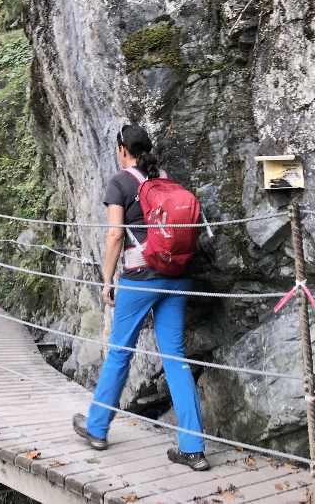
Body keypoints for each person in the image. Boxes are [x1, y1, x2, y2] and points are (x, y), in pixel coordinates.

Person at [72, 124, 210, 471]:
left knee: (120, 351)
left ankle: (97, 427)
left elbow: (116, 235)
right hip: (177, 277)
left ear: (122, 150)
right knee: (175, 357)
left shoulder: (120, 183)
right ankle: (193, 448)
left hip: (140, 278)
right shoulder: (166, 180)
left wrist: (107, 281)